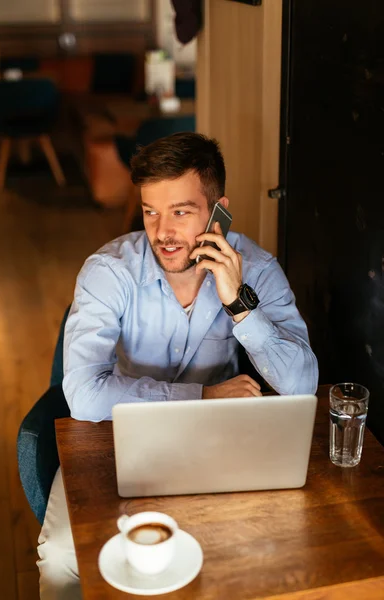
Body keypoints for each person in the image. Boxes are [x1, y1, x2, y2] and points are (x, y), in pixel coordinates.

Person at [37, 132, 318, 599]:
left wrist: (240, 304)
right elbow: (84, 392)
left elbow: (302, 382)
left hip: (213, 446)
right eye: (151, 212)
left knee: (261, 544)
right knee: (64, 557)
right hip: (113, 437)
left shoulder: (258, 269)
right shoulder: (108, 271)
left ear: (218, 211)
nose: (162, 233)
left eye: (181, 212)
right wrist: (205, 395)